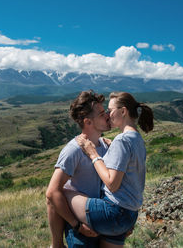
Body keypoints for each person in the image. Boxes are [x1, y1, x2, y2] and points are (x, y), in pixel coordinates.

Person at [66, 91, 154, 247]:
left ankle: (56, 243)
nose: (107, 114)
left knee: (61, 192)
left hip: (113, 213)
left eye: (110, 110)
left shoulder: (122, 140)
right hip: (130, 215)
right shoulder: (137, 139)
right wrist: (114, 147)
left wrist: (93, 153)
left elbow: (112, 184)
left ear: (123, 111)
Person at [46, 90, 111, 248]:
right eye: (102, 113)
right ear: (88, 122)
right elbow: (52, 192)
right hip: (81, 227)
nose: (108, 115)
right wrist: (77, 226)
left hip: (101, 221)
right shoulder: (74, 150)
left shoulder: (105, 145)